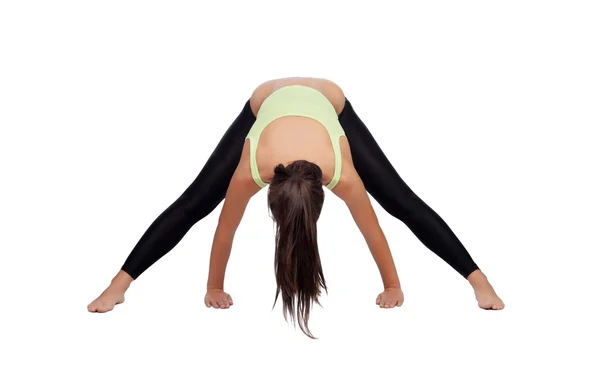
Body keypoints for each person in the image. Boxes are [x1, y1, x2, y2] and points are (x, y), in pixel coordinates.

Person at [87, 77, 504, 338]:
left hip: (329, 98)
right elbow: (222, 229)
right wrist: (214, 287)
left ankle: (479, 280)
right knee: (194, 201)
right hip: (264, 99)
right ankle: (118, 286)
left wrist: (393, 285)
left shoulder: (342, 169)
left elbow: (374, 229)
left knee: (400, 200)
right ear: (269, 189)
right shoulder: (252, 167)